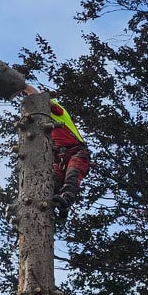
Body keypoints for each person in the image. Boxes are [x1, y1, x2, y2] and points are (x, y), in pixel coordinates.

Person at [22, 85, 90, 218]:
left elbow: (38, 97)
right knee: (51, 182)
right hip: (59, 157)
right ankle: (54, 206)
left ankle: (67, 199)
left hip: (76, 151)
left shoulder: (58, 111)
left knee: (73, 174)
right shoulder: (41, 125)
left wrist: (24, 87)